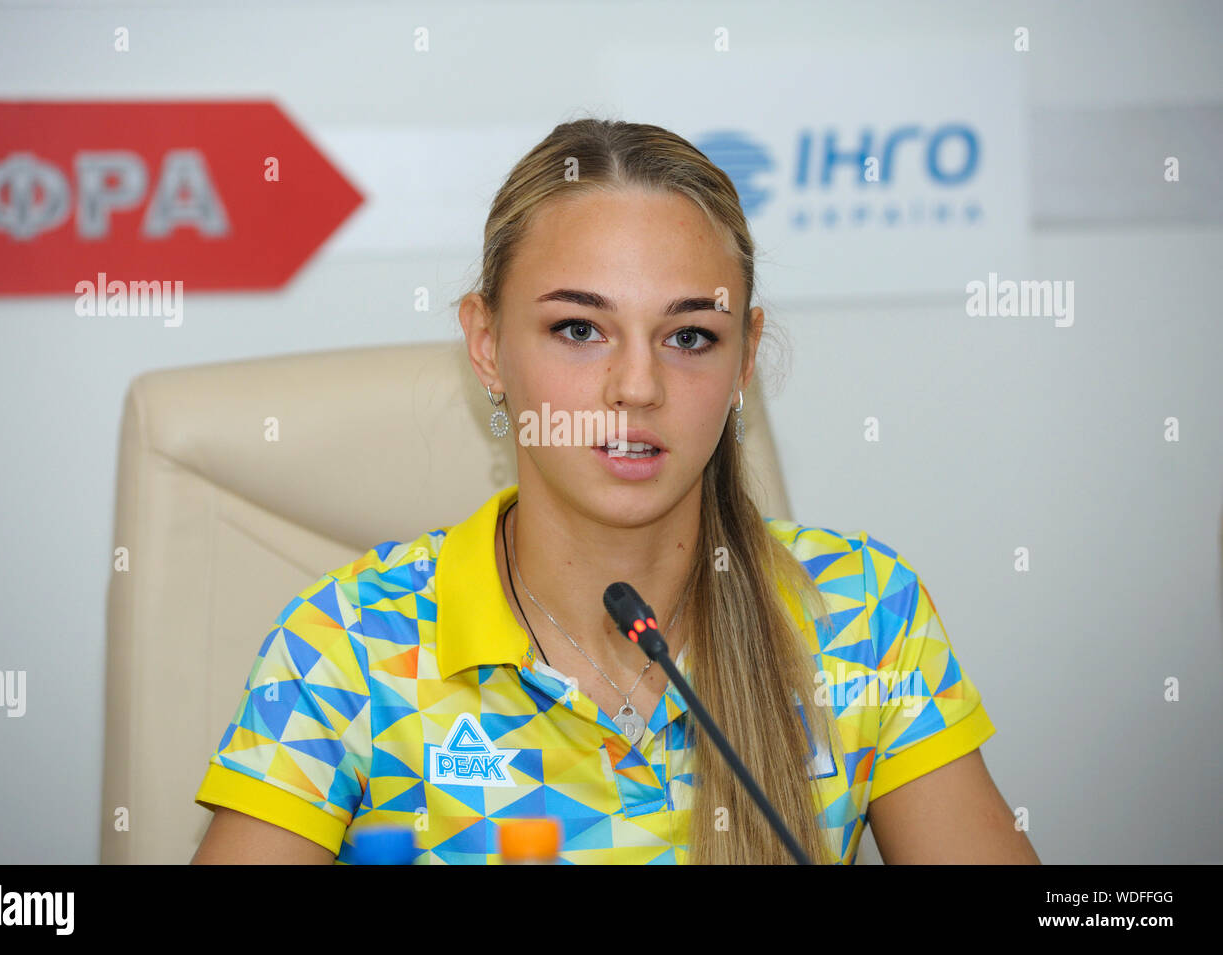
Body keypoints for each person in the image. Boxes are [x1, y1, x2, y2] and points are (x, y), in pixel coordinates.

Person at [191, 116, 1040, 865]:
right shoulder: (342, 645)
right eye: (578, 329)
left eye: (690, 336)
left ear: (744, 359)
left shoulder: (864, 616)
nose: (637, 385)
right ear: (486, 344)